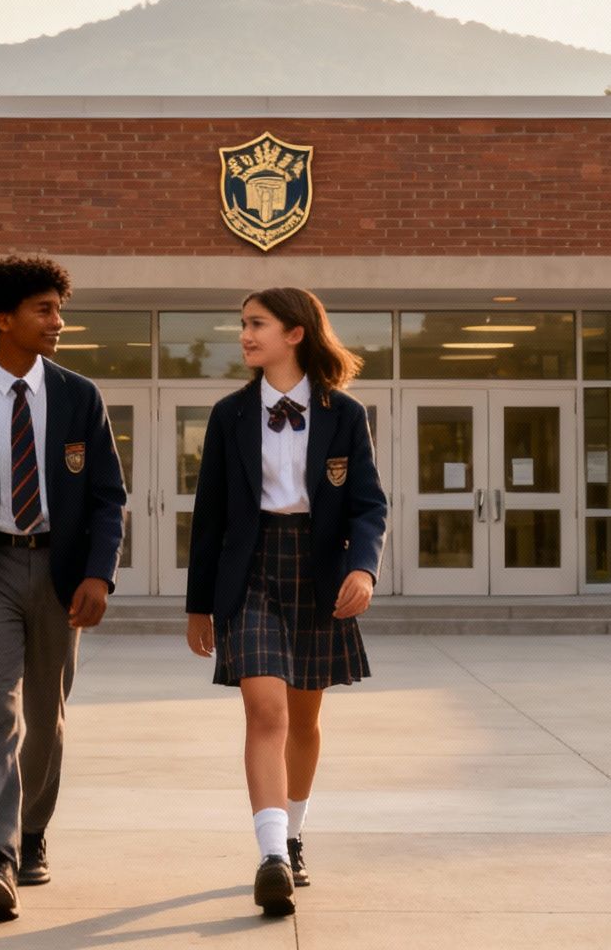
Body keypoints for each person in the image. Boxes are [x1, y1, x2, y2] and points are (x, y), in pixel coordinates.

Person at [0, 255, 126, 920]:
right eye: (44, 310)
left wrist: (99, 572)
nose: (58, 322)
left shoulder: (79, 397)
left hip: (61, 573)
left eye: (58, 309)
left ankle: (33, 832)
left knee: (47, 715)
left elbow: (106, 497)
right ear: (3, 320)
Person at [184, 287, 388, 917]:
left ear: (295, 333)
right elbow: (209, 514)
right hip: (249, 572)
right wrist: (199, 605)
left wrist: (364, 568)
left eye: (256, 325)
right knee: (265, 712)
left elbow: (368, 504)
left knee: (303, 719)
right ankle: (271, 856)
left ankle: (294, 835)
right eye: (243, 325)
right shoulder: (229, 414)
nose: (244, 336)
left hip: (321, 572)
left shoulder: (344, 414)